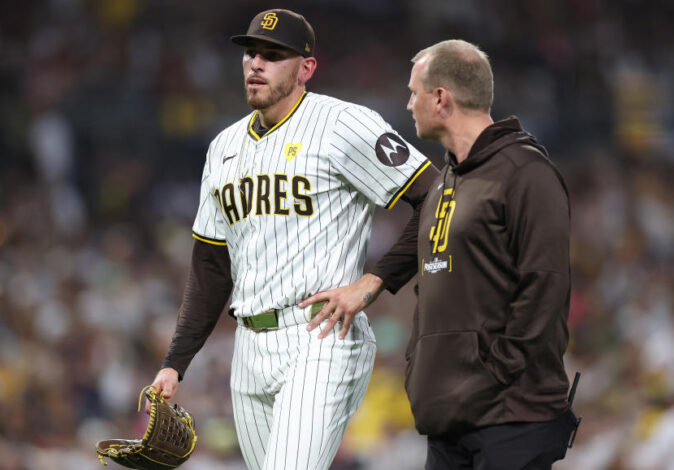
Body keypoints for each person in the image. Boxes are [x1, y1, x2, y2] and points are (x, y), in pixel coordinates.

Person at [148, 9, 440, 470]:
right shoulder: (223, 147)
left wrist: (375, 280)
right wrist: (175, 362)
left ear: (306, 68)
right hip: (249, 347)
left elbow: (436, 195)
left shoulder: (344, 124)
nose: (256, 63)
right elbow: (210, 266)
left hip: (320, 334)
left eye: (273, 55)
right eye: (251, 53)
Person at [302, 39, 579, 469]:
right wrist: (376, 284)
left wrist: (495, 374)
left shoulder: (526, 173)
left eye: (414, 92)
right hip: (450, 418)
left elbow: (545, 289)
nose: (409, 104)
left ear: (441, 97)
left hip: (510, 419)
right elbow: (426, 246)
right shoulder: (448, 178)